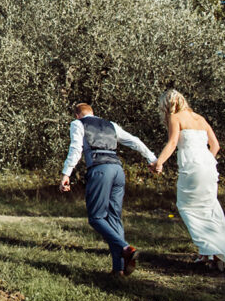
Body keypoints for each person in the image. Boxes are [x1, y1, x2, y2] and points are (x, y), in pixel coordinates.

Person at [59, 103, 158, 276]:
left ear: (77, 115)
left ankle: (126, 247)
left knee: (96, 217)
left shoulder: (78, 124)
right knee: (114, 218)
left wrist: (66, 173)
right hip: (118, 171)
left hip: (100, 169)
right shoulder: (111, 124)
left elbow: (76, 149)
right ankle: (118, 269)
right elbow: (134, 141)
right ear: (93, 113)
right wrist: (152, 158)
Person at [153, 89, 225, 273]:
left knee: (187, 207)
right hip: (209, 166)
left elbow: (172, 143)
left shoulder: (175, 117)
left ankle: (210, 250)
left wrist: (159, 163)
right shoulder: (199, 118)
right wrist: (206, 161)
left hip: (192, 167)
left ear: (168, 104)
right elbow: (215, 145)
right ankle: (210, 255)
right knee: (209, 208)